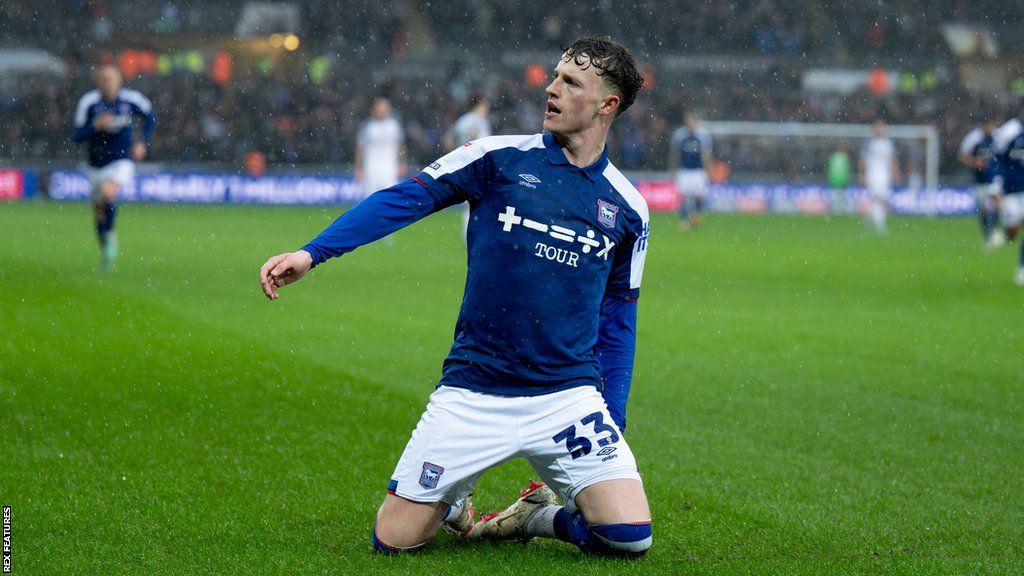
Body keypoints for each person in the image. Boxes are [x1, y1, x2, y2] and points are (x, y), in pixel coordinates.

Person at [260, 36, 652, 556]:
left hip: (566, 397)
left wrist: (614, 417)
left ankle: (536, 518)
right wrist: (314, 253)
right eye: (555, 77)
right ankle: (453, 502)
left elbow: (619, 317)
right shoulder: (498, 158)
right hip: (474, 389)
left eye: (570, 83)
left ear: (608, 105)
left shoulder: (628, 208)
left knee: (629, 538)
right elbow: (407, 197)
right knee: (393, 540)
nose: (551, 90)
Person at [72, 64, 155, 271]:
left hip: (121, 159)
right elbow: (77, 135)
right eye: (104, 79)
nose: (108, 83)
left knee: (108, 194)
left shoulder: (130, 100)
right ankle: (107, 245)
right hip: (95, 163)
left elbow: (150, 117)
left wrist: (142, 141)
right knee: (99, 210)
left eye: (112, 79)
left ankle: (109, 241)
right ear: (98, 82)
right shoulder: (89, 103)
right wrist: (95, 127)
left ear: (119, 80)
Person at [443, 97, 492, 240]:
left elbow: (448, 139)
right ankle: (469, 234)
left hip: (464, 163)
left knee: (471, 200)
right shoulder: (479, 121)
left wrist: (456, 155)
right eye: (485, 105)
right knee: (477, 200)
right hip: (478, 164)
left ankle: (468, 233)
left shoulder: (463, 120)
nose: (486, 109)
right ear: (479, 105)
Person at [957, 118, 1004, 250]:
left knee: (997, 205)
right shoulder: (973, 138)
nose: (989, 128)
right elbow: (961, 156)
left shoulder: (999, 136)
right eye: (986, 125)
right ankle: (988, 235)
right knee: (983, 210)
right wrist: (975, 162)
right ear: (982, 126)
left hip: (996, 178)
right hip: (980, 180)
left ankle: (994, 231)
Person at [992, 98, 1024, 285]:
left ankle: (1022, 267)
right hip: (1010, 189)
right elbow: (996, 160)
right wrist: (994, 187)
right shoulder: (1008, 132)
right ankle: (1002, 233)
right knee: (1013, 231)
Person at [668, 111, 712, 230]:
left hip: (698, 170)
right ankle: (684, 220)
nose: (690, 122)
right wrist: (672, 169)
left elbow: (706, 154)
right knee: (684, 196)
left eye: (692, 120)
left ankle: (695, 217)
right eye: (688, 120)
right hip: (684, 170)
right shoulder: (680, 135)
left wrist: (708, 169)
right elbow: (675, 153)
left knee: (699, 196)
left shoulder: (703, 135)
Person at [355, 97, 406, 198]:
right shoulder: (368, 126)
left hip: (389, 167)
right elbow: (360, 148)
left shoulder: (394, 126)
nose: (381, 111)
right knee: (369, 197)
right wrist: (358, 167)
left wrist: (402, 162)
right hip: (371, 167)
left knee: (390, 196)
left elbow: (401, 146)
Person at [859, 120, 899, 233]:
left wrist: (895, 172)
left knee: (880, 199)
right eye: (877, 128)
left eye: (881, 128)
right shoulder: (869, 143)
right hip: (872, 173)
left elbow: (892, 159)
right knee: (877, 199)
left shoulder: (888, 143)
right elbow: (862, 159)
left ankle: (869, 219)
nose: (879, 130)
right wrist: (862, 174)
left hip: (885, 174)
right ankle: (880, 226)